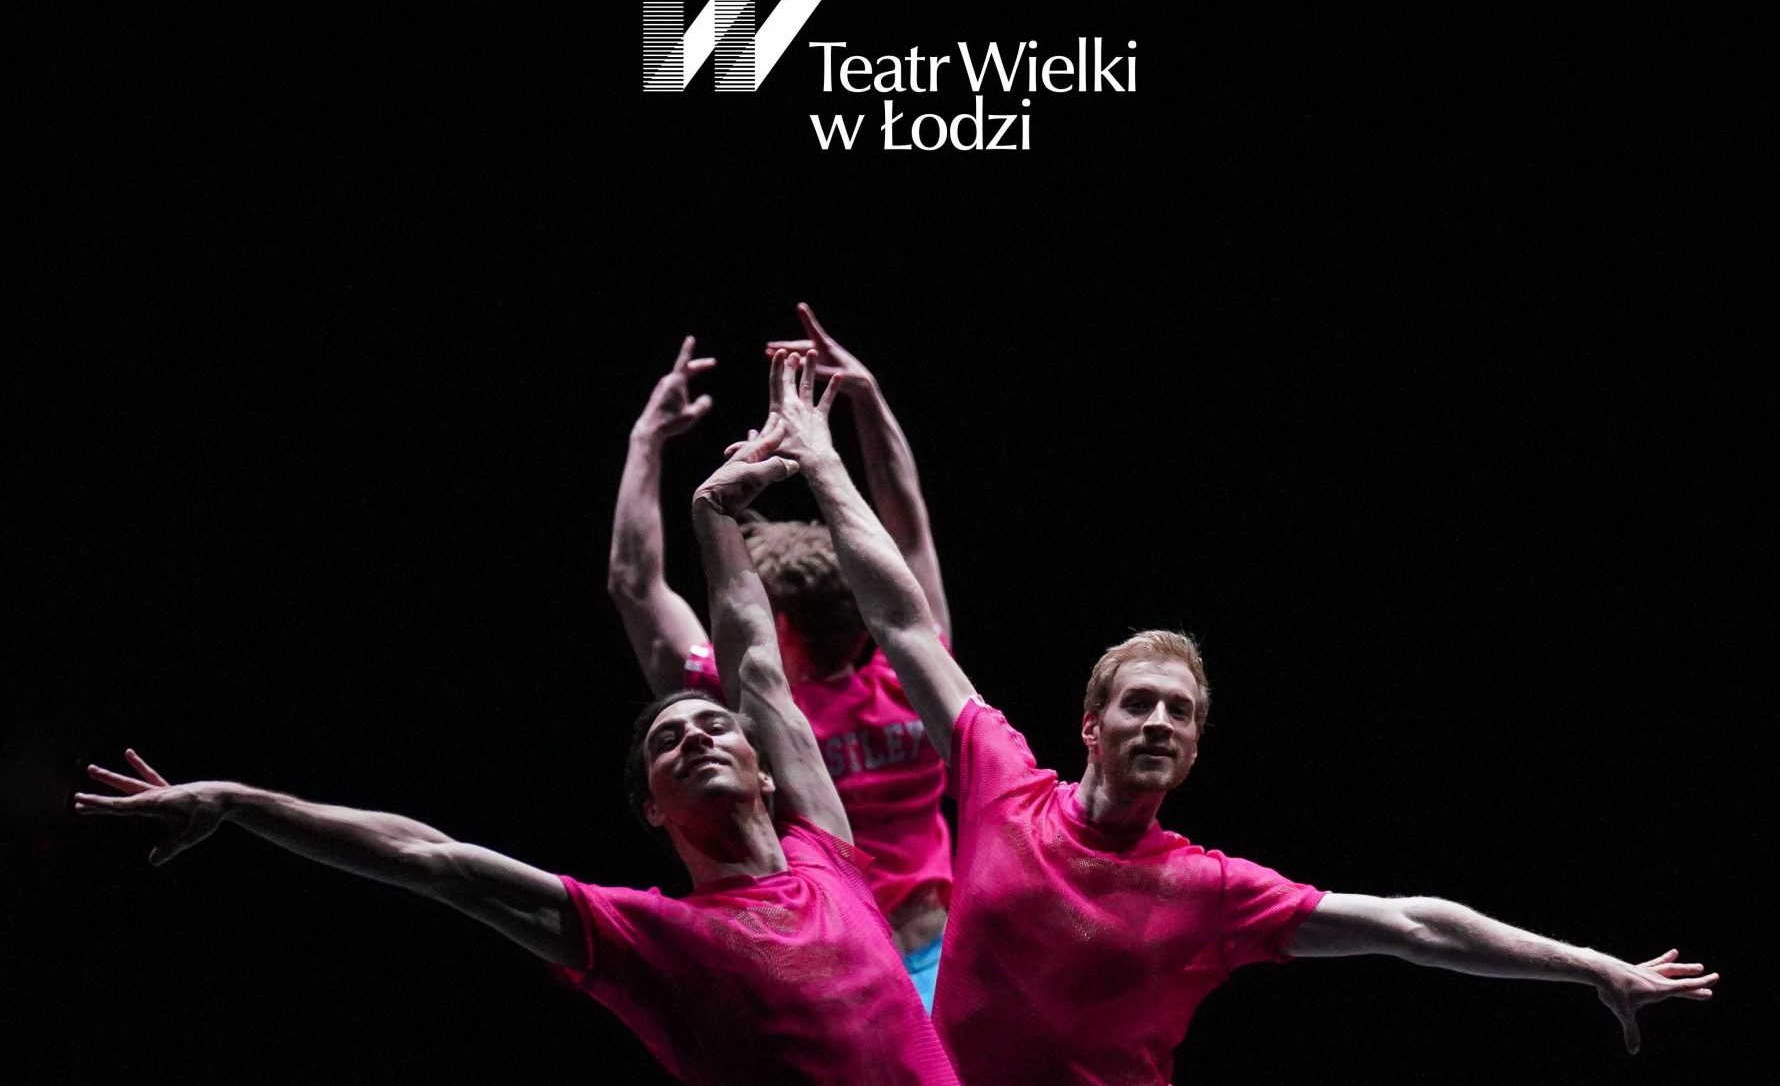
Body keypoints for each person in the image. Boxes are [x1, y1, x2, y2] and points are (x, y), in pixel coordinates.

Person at [759, 349, 1718, 1086]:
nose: (1159, 721)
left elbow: (1412, 925)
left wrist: (1589, 964)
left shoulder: (1209, 890)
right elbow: (901, 618)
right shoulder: (1003, 782)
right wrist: (822, 459)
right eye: (1139, 702)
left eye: (1179, 713)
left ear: (1191, 749)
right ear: (1091, 724)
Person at [75, 418, 959, 1086]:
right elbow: (431, 859)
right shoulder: (649, 935)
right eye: (666, 738)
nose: (696, 731)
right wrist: (239, 800)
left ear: (769, 770)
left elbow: (756, 664)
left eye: (714, 724)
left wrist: (714, 508)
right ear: (651, 808)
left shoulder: (828, 852)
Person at [607, 304, 953, 1005]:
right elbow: (909, 530)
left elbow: (634, 584)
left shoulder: (735, 704)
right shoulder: (917, 677)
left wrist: (648, 437)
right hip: (949, 954)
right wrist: (866, 398)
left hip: (836, 965)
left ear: (779, 625)